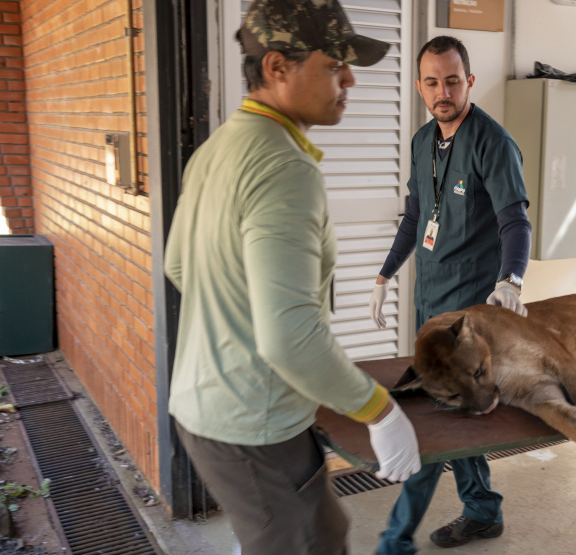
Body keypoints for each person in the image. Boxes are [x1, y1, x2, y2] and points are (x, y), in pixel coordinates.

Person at [163, 1, 422, 552]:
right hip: (251, 425)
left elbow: (180, 267)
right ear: (278, 67)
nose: (350, 79)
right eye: (334, 66)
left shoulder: (216, 150)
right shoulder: (283, 168)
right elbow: (289, 338)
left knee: (321, 530)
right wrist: (381, 411)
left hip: (206, 406)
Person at [369, 36, 532, 554]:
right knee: (452, 414)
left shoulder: (492, 141)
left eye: (453, 80)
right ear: (420, 86)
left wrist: (511, 279)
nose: (444, 91)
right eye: (433, 82)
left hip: (467, 315)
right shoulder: (422, 142)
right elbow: (416, 217)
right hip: (428, 299)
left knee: (434, 420)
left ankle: (396, 539)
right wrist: (384, 274)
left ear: (470, 82)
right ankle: (482, 509)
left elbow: (514, 220)